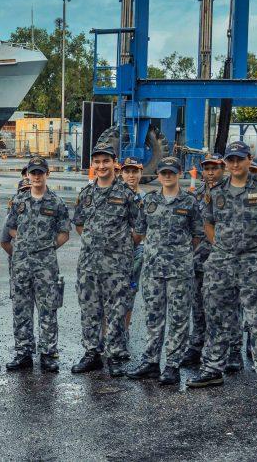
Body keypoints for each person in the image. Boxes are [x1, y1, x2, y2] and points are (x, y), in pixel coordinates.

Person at [188, 140, 257, 395]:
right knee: (217, 316)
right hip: (222, 263)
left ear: (249, 160)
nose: (235, 164)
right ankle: (212, 368)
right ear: (227, 163)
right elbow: (208, 223)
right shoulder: (217, 190)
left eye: (239, 159)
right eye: (231, 160)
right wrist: (222, 248)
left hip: (255, 263)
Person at [71, 144, 145, 377]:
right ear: (92, 164)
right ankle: (92, 353)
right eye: (97, 161)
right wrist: (96, 243)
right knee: (89, 309)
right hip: (89, 264)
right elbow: (80, 224)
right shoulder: (86, 194)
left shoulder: (127, 194)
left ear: (115, 163)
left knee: (116, 310)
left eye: (106, 161)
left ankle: (114, 355)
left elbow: (139, 228)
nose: (101, 166)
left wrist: (120, 246)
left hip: (117, 265)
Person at [126, 157, 202, 386]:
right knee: (153, 318)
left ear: (179, 173)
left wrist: (182, 255)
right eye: (163, 172)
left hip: (180, 271)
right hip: (153, 270)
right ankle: (150, 362)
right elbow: (139, 232)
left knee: (178, 319)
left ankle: (172, 365)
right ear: (158, 175)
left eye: (172, 172)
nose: (167, 176)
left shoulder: (189, 202)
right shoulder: (149, 201)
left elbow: (197, 235)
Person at [5, 157, 70, 373]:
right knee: (21, 308)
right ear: (28, 175)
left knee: (48, 309)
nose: (36, 176)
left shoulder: (57, 202)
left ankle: (48, 354)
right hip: (22, 264)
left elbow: (64, 233)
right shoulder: (19, 201)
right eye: (32, 173)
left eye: (40, 172)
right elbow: (11, 229)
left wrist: (47, 247)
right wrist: (24, 242)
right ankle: (23, 353)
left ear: (47, 174)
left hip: (46, 265)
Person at [186, 152, 226, 368]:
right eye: (207, 168)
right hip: (199, 260)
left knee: (225, 308)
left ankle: (231, 350)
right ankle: (196, 347)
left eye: (215, 168)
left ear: (223, 168)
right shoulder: (195, 194)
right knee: (198, 306)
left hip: (223, 261)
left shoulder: (230, 192)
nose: (211, 172)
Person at [119, 156, 145, 360]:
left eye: (134, 171)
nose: (131, 175)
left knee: (129, 294)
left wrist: (133, 242)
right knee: (109, 295)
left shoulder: (145, 199)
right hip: (115, 252)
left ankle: (124, 333)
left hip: (135, 251)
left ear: (140, 173)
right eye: (127, 171)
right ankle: (109, 334)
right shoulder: (116, 194)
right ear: (121, 173)